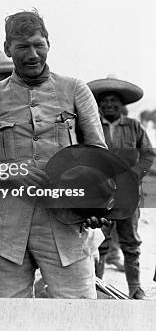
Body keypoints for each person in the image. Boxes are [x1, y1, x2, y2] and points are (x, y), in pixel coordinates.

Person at [0, 10, 108, 298]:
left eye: (38, 45)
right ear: (8, 50)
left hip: (66, 227)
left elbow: (99, 158)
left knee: (78, 314)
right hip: (6, 230)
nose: (32, 54)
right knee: (6, 319)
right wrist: (12, 173)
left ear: (48, 44)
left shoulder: (75, 89)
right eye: (22, 47)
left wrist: (95, 204)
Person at [88, 75, 155, 299]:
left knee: (130, 241)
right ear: (99, 103)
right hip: (100, 195)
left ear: (122, 104)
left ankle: (135, 287)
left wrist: (133, 174)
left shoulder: (134, 127)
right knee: (100, 241)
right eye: (105, 100)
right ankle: (96, 286)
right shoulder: (91, 126)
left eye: (114, 100)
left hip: (128, 195)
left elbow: (148, 155)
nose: (109, 104)